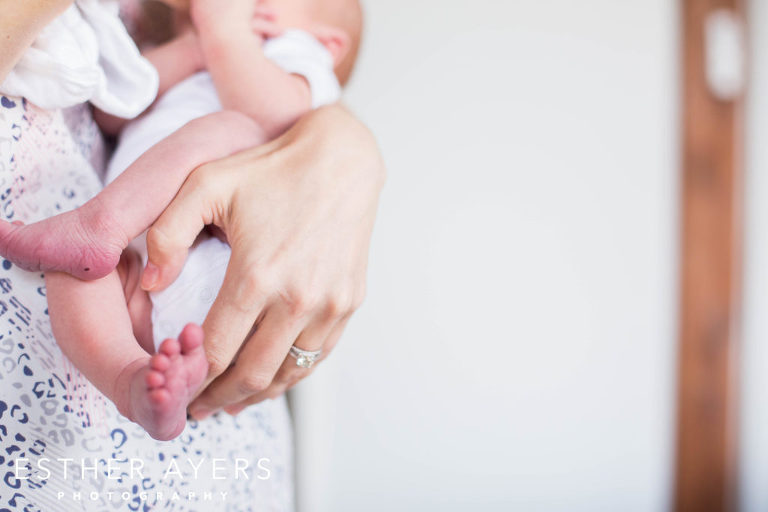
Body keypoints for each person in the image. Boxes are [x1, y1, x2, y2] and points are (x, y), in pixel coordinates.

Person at [0, 0, 383, 509]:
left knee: (237, 129)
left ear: (328, 43)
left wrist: (225, 36)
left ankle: (102, 223)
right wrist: (194, 47)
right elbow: (117, 109)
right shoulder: (192, 41)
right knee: (76, 273)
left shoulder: (295, 59)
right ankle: (130, 377)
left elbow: (274, 114)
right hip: (145, 267)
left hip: (215, 252)